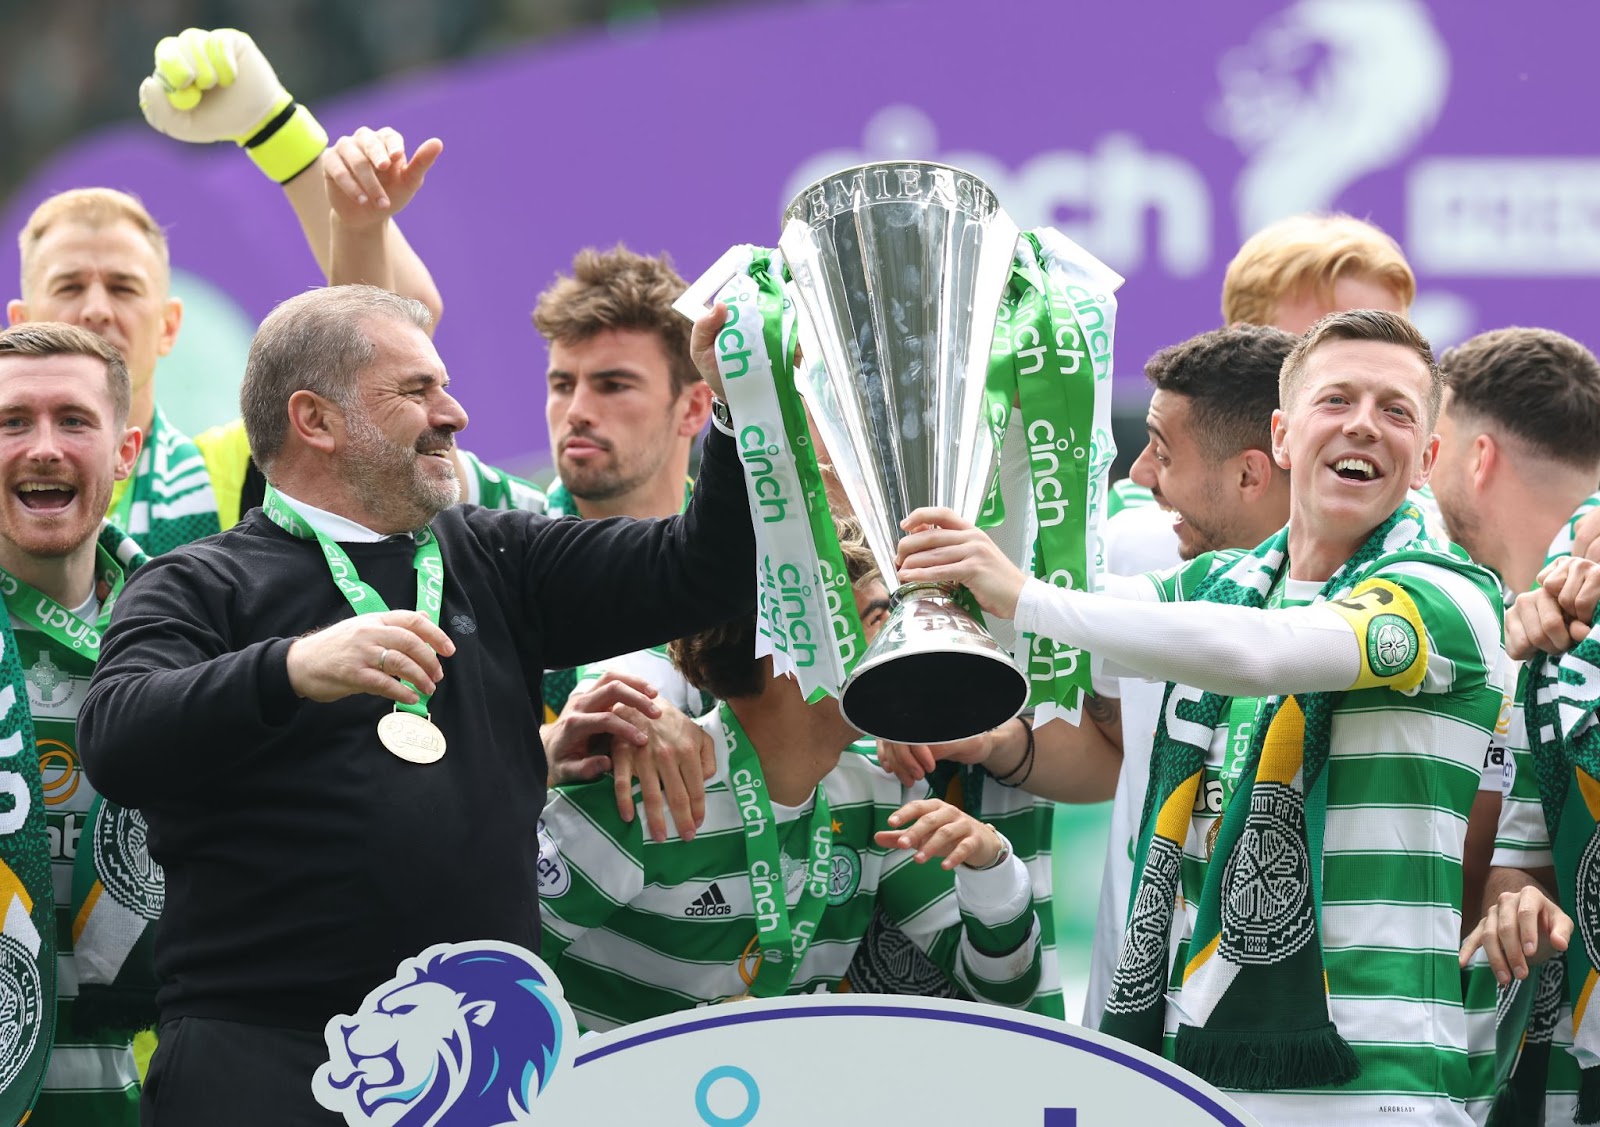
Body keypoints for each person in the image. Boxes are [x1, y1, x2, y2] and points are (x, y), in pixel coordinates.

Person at [75, 286, 754, 1124]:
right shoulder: (198, 581)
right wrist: (291, 668)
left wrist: (734, 408)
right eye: (416, 390)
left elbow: (705, 571)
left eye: (446, 386)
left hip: (471, 1075)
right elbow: (117, 735)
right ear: (315, 420)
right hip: (262, 1068)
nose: (454, 413)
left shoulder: (499, 555)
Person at [899, 309, 1506, 1125]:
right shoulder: (1220, 585)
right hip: (1191, 1077)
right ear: (1283, 436)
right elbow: (1052, 618)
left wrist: (1026, 595)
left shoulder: (1449, 594)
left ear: (1427, 459)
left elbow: (1261, 652)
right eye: (1337, 399)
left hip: (1376, 1085)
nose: (1364, 423)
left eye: (1395, 410)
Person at [538, 513, 1042, 1029]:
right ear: (792, 650)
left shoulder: (878, 790)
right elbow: (500, 963)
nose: (904, 641)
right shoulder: (645, 789)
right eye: (879, 620)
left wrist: (992, 866)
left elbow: (1003, 995)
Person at [1437, 328, 1600, 1123]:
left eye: (1431, 443)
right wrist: (1515, 899)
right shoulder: (1518, 639)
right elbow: (1527, 860)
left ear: (1478, 457)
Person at [0, 323, 146, 1125]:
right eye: (13, 421)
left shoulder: (191, 645)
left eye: (74, 420)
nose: (44, 447)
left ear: (125, 451)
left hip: (133, 1095)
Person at [1107, 210, 1415, 522]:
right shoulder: (1139, 512)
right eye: (1324, 351)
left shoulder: (1429, 519)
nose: (1361, 416)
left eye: (1385, 352)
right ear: (1244, 347)